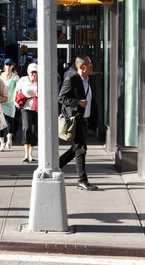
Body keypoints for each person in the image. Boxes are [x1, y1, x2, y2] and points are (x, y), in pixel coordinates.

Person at [58, 55, 98, 191]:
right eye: (90, 64)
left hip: (84, 120)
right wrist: (77, 103)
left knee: (75, 149)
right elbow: (61, 98)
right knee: (81, 149)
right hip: (75, 119)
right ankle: (82, 180)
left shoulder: (87, 80)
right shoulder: (72, 79)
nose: (92, 66)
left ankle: (56, 166)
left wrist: (93, 122)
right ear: (82, 67)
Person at [15, 62, 38, 163]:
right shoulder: (23, 80)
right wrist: (15, 102)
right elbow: (16, 91)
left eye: (36, 72)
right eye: (32, 72)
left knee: (34, 130)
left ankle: (31, 154)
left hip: (37, 108)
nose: (34, 74)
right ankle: (26, 154)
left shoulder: (40, 80)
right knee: (26, 127)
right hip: (26, 107)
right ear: (28, 72)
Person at [0, 59, 19, 151]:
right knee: (0, 124)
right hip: (0, 102)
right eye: (7, 64)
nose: (8, 66)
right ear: (4, 66)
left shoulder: (15, 77)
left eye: (10, 65)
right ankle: (2, 144)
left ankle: (9, 138)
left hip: (10, 102)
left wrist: (17, 100)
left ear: (12, 66)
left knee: (10, 123)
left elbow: (18, 89)